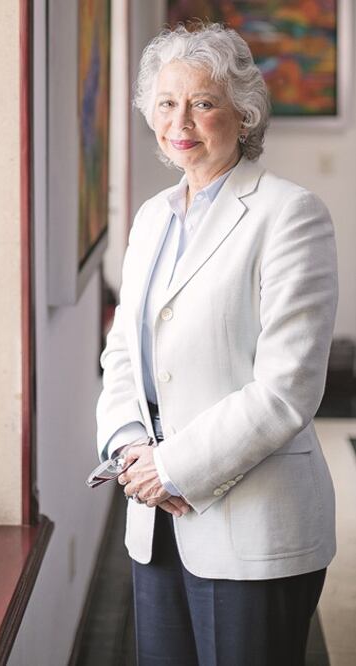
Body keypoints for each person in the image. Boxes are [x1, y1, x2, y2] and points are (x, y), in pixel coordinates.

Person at [96, 23, 336, 665]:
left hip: (252, 523)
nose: (182, 121)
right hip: (157, 523)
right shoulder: (151, 217)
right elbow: (121, 352)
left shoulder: (290, 215)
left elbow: (287, 391)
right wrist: (128, 452)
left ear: (243, 114)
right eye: (167, 102)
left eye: (203, 103)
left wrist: (171, 468)